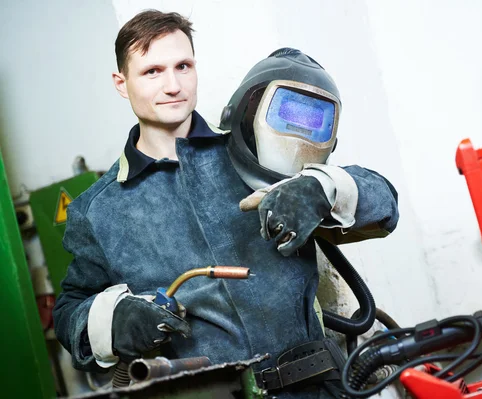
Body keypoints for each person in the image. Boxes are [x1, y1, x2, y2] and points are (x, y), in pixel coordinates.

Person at [53, 9, 399, 398]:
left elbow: (384, 203)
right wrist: (114, 322)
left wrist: (321, 189)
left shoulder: (260, 149)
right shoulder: (99, 210)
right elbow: (68, 313)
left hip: (318, 387)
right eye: (152, 71)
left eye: (183, 66)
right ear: (121, 82)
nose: (172, 85)